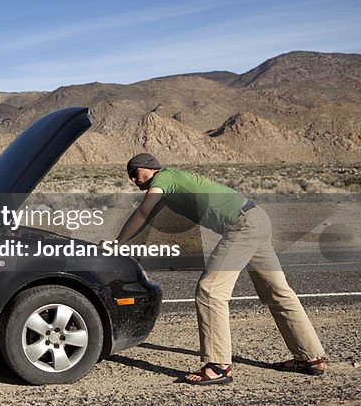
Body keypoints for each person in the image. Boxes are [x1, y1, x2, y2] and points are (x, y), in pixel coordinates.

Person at [113, 153, 326, 385]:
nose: (133, 179)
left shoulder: (163, 178)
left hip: (242, 225)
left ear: (150, 168)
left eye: (135, 172)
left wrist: (117, 243)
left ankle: (218, 365)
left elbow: (143, 211)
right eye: (129, 176)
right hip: (255, 219)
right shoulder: (169, 184)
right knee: (278, 292)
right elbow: (148, 219)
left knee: (210, 290)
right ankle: (310, 357)